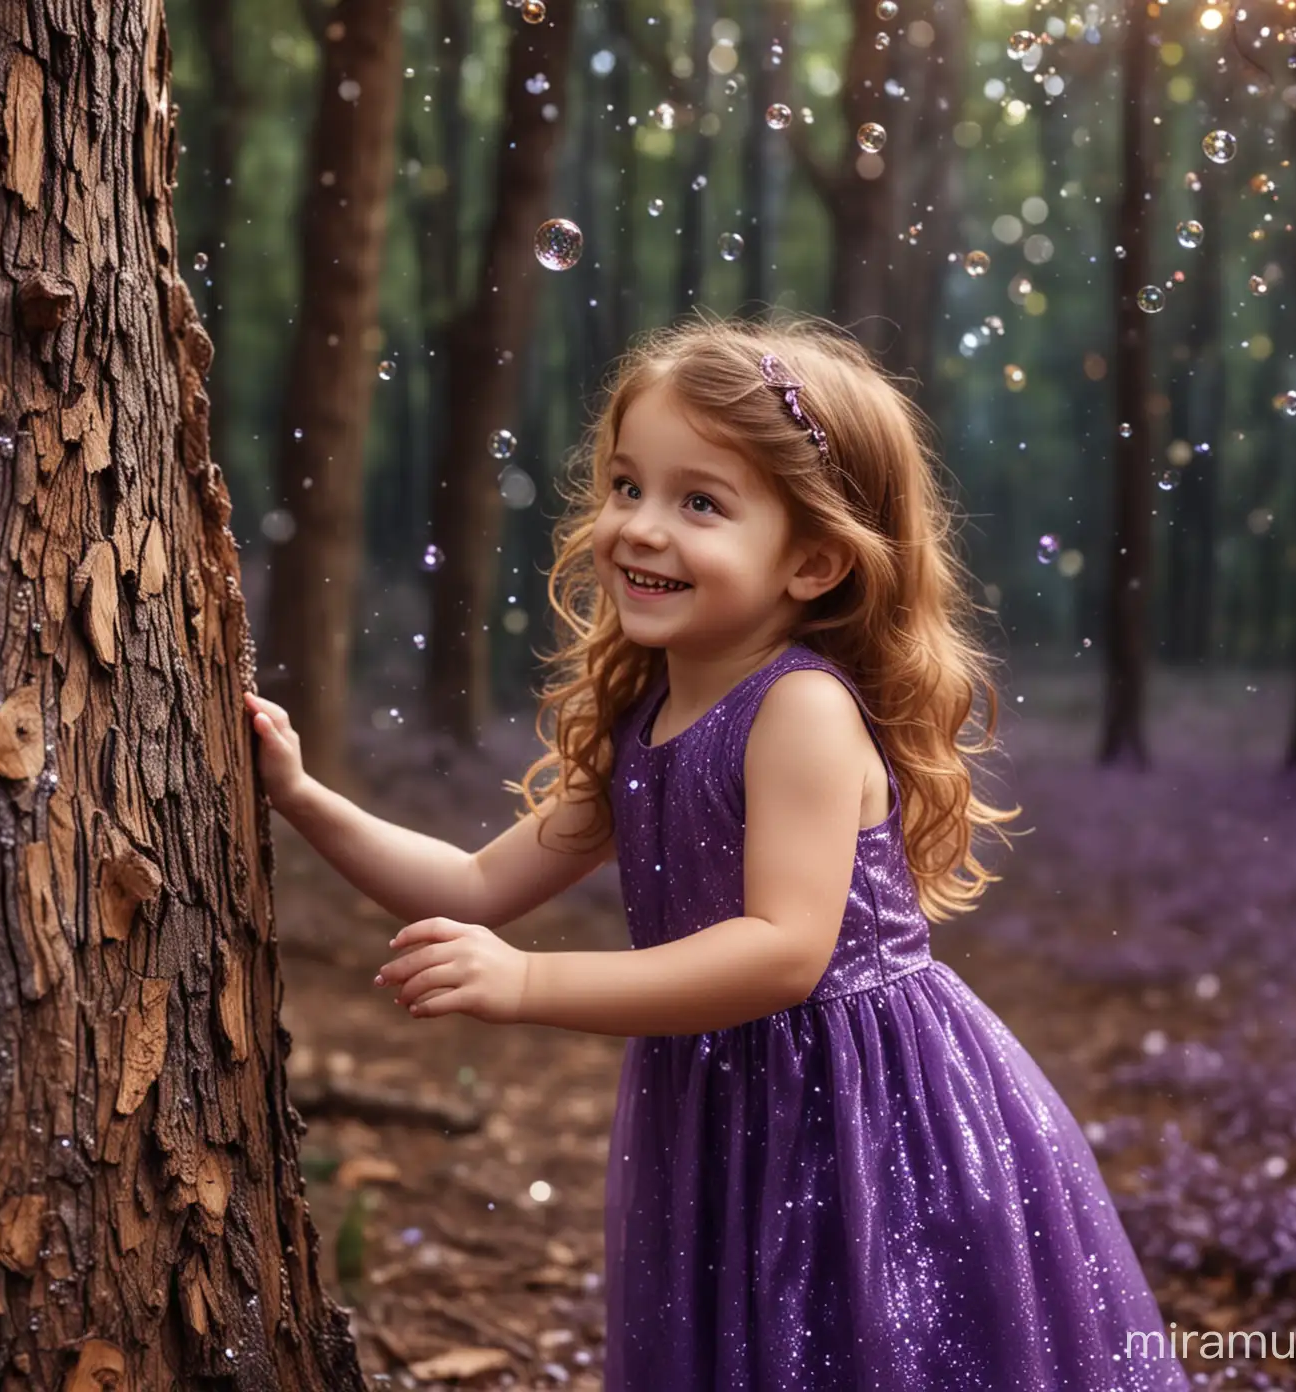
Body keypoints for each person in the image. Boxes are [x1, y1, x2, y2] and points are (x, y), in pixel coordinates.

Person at [247, 314, 1190, 1390]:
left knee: (866, 1344)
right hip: (725, 1095)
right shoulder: (643, 716)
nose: (641, 528)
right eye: (625, 486)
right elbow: (472, 883)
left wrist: (526, 984)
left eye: (701, 502)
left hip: (864, 1111)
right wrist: (301, 796)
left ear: (817, 559)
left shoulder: (800, 710)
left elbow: (786, 950)